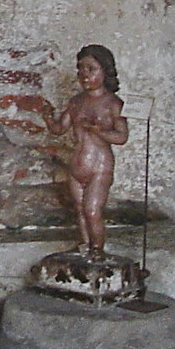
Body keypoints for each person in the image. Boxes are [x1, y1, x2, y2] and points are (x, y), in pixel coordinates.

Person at [44, 44, 128, 256]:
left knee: (92, 211)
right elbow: (59, 129)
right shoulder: (76, 102)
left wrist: (99, 131)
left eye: (91, 69)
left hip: (99, 167)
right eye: (81, 69)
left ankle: (97, 251)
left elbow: (121, 137)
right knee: (80, 211)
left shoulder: (112, 103)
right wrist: (47, 116)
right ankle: (84, 247)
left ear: (105, 71)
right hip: (76, 165)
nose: (84, 75)